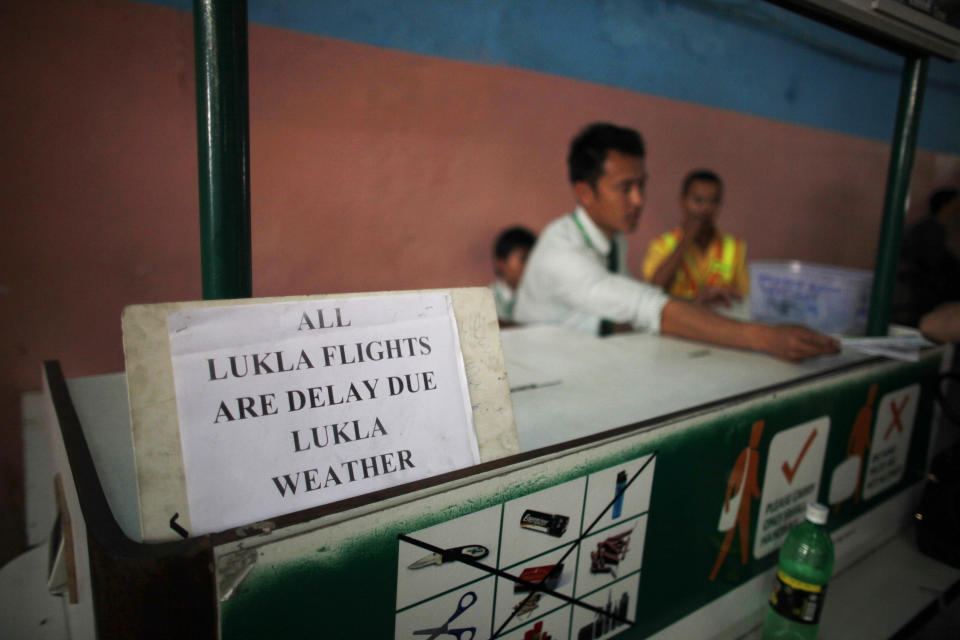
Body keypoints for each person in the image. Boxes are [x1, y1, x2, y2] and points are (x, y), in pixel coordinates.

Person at [513, 122, 839, 362]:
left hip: (580, 358)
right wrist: (766, 337)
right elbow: (648, 307)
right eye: (625, 188)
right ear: (585, 193)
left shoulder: (613, 241)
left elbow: (623, 309)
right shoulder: (562, 253)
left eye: (642, 185)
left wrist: (693, 307)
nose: (639, 200)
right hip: (541, 374)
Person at [641, 169, 748, 307]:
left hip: (719, 323)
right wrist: (686, 240)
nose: (705, 208)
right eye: (698, 200)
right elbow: (653, 292)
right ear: (682, 201)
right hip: (674, 326)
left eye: (713, 201)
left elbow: (745, 299)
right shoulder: (662, 245)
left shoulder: (734, 247)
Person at [892, 187, 960, 327]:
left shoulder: (934, 230)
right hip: (918, 301)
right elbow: (936, 267)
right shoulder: (928, 232)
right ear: (946, 206)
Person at [489, 226, 536, 326]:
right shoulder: (486, 301)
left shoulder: (542, 298)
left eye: (535, 260)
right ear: (501, 263)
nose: (531, 266)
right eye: (524, 259)